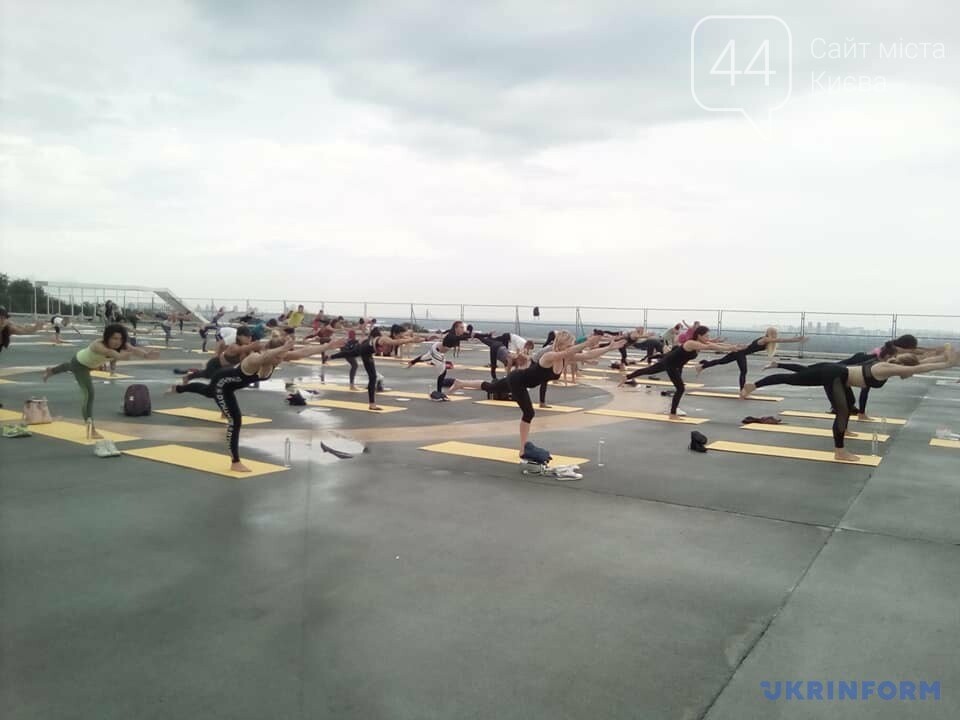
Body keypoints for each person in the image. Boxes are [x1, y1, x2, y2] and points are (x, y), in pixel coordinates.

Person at [742, 347, 958, 461]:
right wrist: (947, 363)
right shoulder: (886, 368)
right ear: (904, 367)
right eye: (908, 371)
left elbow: (920, 363)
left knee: (800, 380)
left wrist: (943, 358)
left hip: (836, 374)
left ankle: (753, 385)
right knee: (842, 411)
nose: (909, 374)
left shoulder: (890, 367)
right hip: (835, 375)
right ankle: (840, 451)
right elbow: (918, 368)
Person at [172, 334, 343, 472]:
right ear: (271, 351)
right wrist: (281, 349)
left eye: (282, 357)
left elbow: (303, 352)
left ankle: (178, 388)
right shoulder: (254, 359)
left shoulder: (277, 356)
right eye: (278, 356)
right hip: (222, 384)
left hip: (229, 385)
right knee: (235, 420)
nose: (280, 360)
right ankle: (235, 462)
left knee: (207, 392)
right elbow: (267, 355)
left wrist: (327, 346)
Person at [449, 332, 626, 456]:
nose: (573, 348)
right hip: (518, 380)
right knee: (529, 413)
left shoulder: (567, 357)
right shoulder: (549, 356)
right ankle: (523, 448)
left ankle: (460, 383)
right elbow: (570, 351)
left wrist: (609, 348)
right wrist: (586, 342)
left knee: (491, 387)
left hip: (522, 381)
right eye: (570, 345)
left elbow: (588, 355)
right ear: (562, 345)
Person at [43, 324, 159, 438]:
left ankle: (51, 371)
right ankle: (91, 427)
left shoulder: (122, 345)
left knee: (69, 367)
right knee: (89, 394)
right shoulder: (98, 345)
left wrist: (146, 355)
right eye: (114, 338)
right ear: (107, 337)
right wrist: (121, 356)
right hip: (80, 365)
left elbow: (133, 349)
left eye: (120, 339)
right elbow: (111, 353)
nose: (117, 342)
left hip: (91, 364)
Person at [620, 327, 742, 418]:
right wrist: (730, 348)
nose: (707, 338)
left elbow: (714, 344)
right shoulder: (691, 343)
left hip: (671, 363)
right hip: (670, 364)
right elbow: (711, 347)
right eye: (706, 335)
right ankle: (673, 412)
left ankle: (627, 377)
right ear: (699, 335)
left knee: (648, 371)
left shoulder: (700, 342)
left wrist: (733, 346)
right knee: (680, 388)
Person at [328, 328, 423, 409]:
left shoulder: (389, 337)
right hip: (365, 351)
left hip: (365, 348)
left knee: (350, 353)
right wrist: (411, 340)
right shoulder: (385, 339)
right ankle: (372, 404)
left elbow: (403, 337)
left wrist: (418, 339)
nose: (401, 336)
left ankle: (330, 357)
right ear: (395, 334)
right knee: (372, 377)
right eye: (400, 335)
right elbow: (396, 342)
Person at [696, 327, 807, 389]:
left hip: (741, 351)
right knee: (743, 371)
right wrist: (795, 339)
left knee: (722, 361)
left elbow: (750, 345)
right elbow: (780, 340)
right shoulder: (765, 339)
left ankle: (703, 365)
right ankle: (742, 390)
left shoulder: (765, 340)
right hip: (740, 353)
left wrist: (742, 346)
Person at [407, 321, 474, 401]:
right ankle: (439, 393)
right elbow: (463, 337)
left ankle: (412, 362)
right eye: (461, 327)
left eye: (463, 327)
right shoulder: (451, 336)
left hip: (436, 347)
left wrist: (483, 335)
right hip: (437, 352)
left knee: (426, 357)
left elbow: (466, 336)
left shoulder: (455, 333)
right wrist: (470, 331)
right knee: (442, 372)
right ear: (456, 328)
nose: (463, 329)